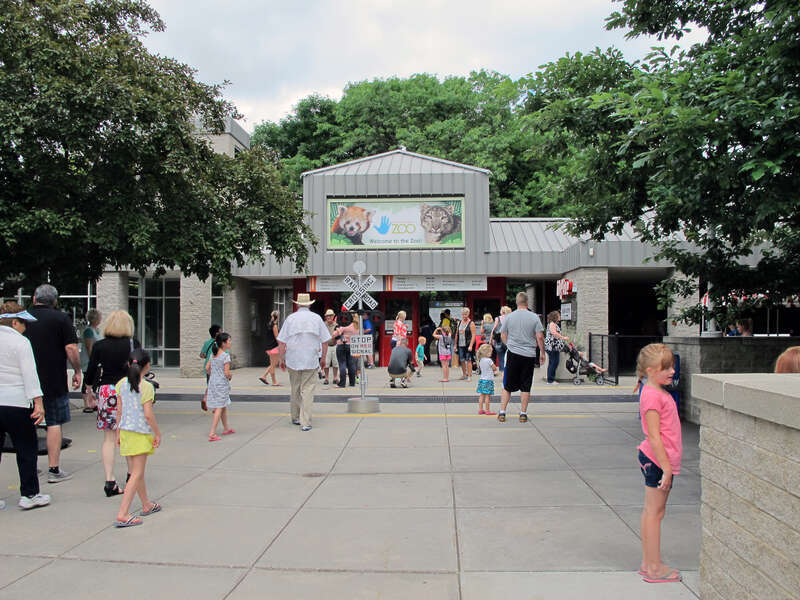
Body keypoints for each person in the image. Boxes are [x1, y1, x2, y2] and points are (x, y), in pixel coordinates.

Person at [634, 343, 682, 583]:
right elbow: (655, 437)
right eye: (666, 368)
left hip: (657, 461)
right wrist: (666, 468)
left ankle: (647, 562)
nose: (672, 371)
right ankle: (654, 567)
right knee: (655, 513)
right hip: (657, 461)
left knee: (651, 512)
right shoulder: (653, 396)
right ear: (651, 370)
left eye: (672, 366)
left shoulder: (654, 391)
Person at [23, 284, 81, 483]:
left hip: (25, 380)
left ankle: (30, 467)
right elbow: (71, 348)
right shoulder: (61, 318)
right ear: (55, 301)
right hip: (53, 378)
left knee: (27, 424)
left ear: (34, 298)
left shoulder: (22, 318)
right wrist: (77, 370)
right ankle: (53, 469)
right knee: (54, 422)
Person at [84, 310, 141, 497]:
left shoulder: (100, 346)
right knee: (127, 434)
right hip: (127, 389)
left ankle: (110, 480)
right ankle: (132, 475)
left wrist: (89, 389)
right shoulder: (133, 344)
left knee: (109, 437)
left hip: (107, 391)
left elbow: (92, 369)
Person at [0, 302, 50, 510]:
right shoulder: (21, 343)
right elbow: (30, 375)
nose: (26, 328)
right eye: (23, 323)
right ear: (14, 322)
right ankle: (29, 494)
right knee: (26, 448)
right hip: (17, 402)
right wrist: (38, 403)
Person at [114, 349, 162, 528]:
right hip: (140, 433)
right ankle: (123, 513)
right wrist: (157, 433)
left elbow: (119, 411)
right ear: (148, 365)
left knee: (136, 471)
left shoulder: (120, 384)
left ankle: (146, 504)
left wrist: (118, 433)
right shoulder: (147, 387)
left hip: (126, 432)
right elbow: (148, 415)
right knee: (137, 473)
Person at [277, 293, 331, 431]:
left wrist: (281, 358)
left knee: (295, 387)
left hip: (293, 358)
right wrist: (323, 359)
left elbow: (282, 341)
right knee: (307, 390)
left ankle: (295, 416)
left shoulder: (290, 318)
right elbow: (325, 341)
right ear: (310, 304)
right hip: (310, 358)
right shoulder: (316, 318)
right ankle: (305, 422)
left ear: (297, 304)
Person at [497, 292, 544, 423]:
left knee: (507, 385)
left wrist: (509, 345)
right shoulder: (534, 317)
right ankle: (523, 414)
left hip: (513, 354)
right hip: (529, 355)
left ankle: (502, 412)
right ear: (527, 302)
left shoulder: (509, 317)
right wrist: (543, 353)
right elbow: (540, 337)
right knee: (525, 385)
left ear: (516, 302)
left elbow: (502, 334)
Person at [206, 332, 234, 441]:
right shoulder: (225, 356)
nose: (230, 343)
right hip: (221, 384)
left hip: (213, 382)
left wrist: (213, 375)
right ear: (223, 343)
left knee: (223, 405)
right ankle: (212, 433)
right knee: (219, 407)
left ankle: (226, 428)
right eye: (229, 341)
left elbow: (207, 368)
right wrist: (230, 376)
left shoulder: (213, 354)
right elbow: (227, 373)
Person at [80, 309, 102, 413]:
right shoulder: (88, 331)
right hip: (89, 361)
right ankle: (87, 404)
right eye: (99, 317)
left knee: (95, 381)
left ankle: (92, 402)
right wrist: (93, 360)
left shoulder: (97, 330)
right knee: (87, 381)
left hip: (97, 361)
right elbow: (89, 347)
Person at [199, 324, 222, 411]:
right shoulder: (221, 344)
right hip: (217, 368)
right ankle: (216, 407)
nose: (222, 332)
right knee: (218, 387)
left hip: (208, 368)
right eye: (220, 331)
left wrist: (207, 356)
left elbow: (201, 355)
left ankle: (205, 398)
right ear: (217, 334)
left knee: (211, 385)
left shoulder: (207, 343)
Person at [544, 310, 570, 385]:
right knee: (554, 362)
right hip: (552, 346)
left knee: (553, 362)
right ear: (555, 316)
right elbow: (554, 333)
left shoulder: (553, 324)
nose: (560, 316)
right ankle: (550, 380)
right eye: (559, 315)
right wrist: (563, 338)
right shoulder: (552, 324)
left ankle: (550, 379)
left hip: (554, 347)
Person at [334, 313, 359, 388]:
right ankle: (352, 382)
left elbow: (334, 335)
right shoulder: (358, 326)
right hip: (352, 346)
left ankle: (342, 383)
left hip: (342, 345)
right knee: (351, 364)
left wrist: (337, 330)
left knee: (342, 364)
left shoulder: (346, 325)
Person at [259, 311, 281, 386]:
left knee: (273, 363)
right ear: (277, 317)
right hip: (274, 347)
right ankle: (274, 382)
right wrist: (280, 346)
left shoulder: (269, 324)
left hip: (269, 346)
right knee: (273, 365)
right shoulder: (274, 326)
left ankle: (264, 376)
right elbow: (277, 337)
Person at [455, 307, 477, 381]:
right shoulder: (460, 322)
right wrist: (455, 345)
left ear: (468, 314)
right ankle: (464, 374)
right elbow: (456, 334)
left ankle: (469, 376)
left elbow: (473, 335)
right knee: (462, 360)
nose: (464, 316)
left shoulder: (471, 323)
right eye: (463, 314)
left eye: (466, 314)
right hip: (460, 344)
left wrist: (471, 345)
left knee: (468, 360)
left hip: (468, 344)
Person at [475, 343, 497, 415]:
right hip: (488, 380)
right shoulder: (489, 360)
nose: (491, 353)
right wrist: (495, 370)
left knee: (482, 395)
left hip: (482, 380)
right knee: (488, 396)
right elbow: (494, 368)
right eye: (490, 352)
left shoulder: (481, 360)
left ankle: (480, 409)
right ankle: (487, 410)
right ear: (487, 352)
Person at [490, 306, 512, 371]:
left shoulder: (498, 318)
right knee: (509, 357)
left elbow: (493, 329)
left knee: (501, 358)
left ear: (502, 311)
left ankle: (503, 374)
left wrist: (490, 339)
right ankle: (509, 372)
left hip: (498, 341)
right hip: (508, 340)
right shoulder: (510, 318)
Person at [321, 309, 339, 384]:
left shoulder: (336, 325)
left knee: (335, 363)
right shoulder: (323, 325)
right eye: (327, 316)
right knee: (326, 363)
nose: (328, 317)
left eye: (330, 316)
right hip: (326, 346)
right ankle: (326, 378)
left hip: (335, 345)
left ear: (333, 316)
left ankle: (335, 378)